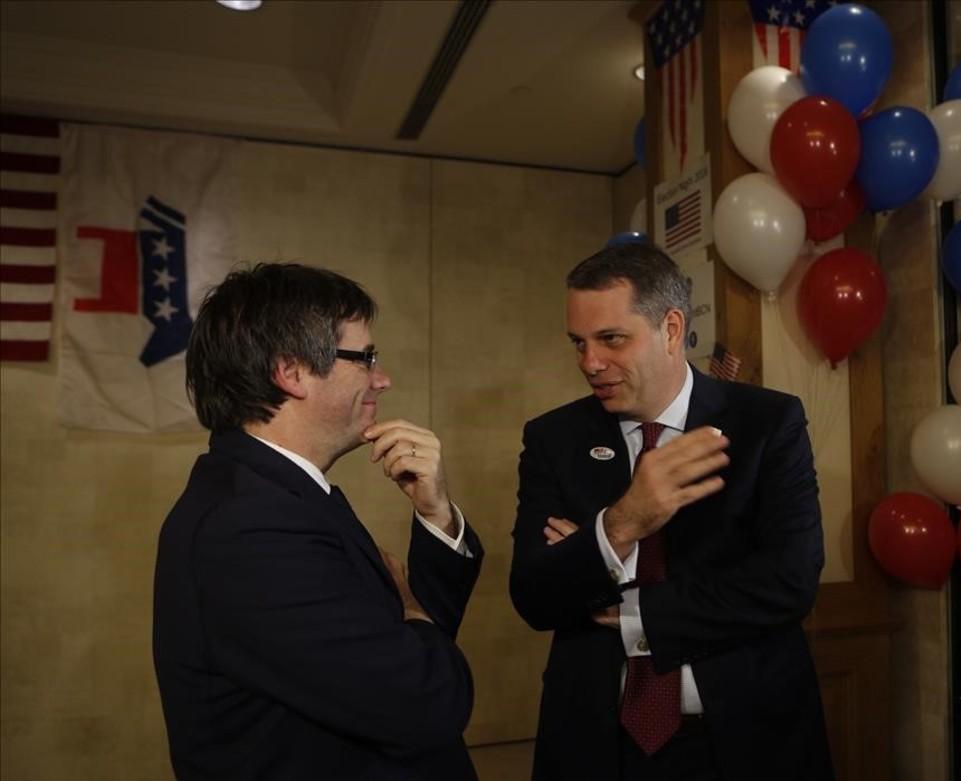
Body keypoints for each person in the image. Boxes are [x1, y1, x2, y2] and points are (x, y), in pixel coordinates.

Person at [509, 244, 833, 780]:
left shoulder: (766, 423)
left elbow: (789, 581)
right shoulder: (554, 439)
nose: (590, 363)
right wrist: (622, 523)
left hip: (747, 740)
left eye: (611, 339)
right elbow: (535, 595)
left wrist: (630, 605)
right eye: (579, 343)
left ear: (672, 328)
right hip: (598, 745)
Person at [153, 263, 483, 780]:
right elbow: (425, 698)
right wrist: (412, 609)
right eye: (365, 357)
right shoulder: (252, 526)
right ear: (292, 372)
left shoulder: (284, 492)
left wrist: (435, 514)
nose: (382, 378)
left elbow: (395, 655)